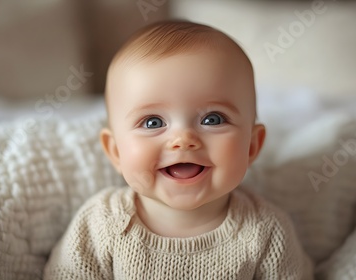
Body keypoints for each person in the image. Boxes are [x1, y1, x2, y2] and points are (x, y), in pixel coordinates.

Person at [44, 20, 313, 279]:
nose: (183, 140)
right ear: (115, 152)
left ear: (252, 146)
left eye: (213, 119)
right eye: (153, 122)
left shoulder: (266, 232)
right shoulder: (100, 224)